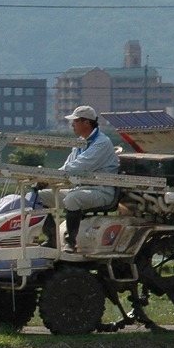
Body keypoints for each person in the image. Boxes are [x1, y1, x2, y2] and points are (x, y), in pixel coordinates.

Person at [58, 106, 121, 251]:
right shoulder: (80, 142)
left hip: (101, 191)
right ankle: (51, 239)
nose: (72, 124)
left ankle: (71, 242)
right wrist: (49, 178)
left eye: (75, 121)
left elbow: (80, 166)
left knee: (72, 198)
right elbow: (68, 165)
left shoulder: (102, 143)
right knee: (42, 196)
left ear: (86, 122)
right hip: (82, 189)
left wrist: (51, 176)